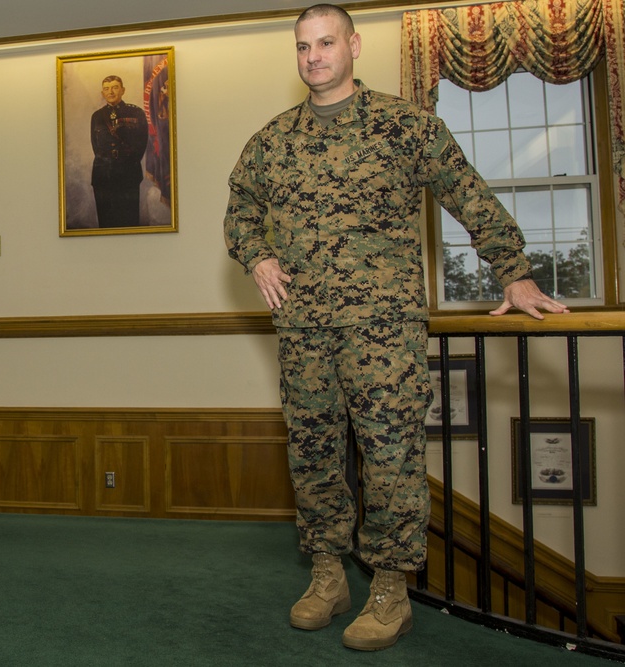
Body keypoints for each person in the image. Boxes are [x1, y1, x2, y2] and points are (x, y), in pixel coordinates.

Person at [223, 4, 569, 652]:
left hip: (384, 329)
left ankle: (390, 588)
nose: (314, 56)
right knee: (315, 454)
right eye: (303, 46)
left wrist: (513, 271)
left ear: (354, 46)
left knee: (390, 458)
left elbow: (468, 193)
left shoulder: (404, 124)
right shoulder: (274, 139)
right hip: (305, 331)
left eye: (326, 42)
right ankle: (328, 575)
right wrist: (257, 253)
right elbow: (239, 206)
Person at [90, 75, 149, 228]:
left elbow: (141, 144)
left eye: (115, 87)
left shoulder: (136, 113)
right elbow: (96, 147)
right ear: (103, 93)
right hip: (103, 175)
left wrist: (125, 164)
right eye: (106, 89)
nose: (111, 92)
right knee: (106, 222)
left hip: (128, 174)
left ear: (123, 90)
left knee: (129, 220)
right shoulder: (97, 116)